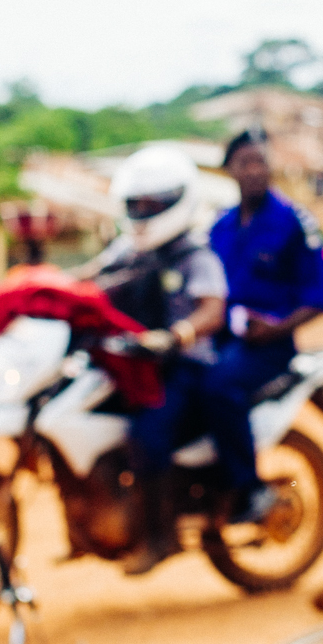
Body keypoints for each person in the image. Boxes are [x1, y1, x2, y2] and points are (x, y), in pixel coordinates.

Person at [80, 144, 229, 576]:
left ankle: (162, 538)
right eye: (136, 204)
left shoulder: (195, 253)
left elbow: (212, 308)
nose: (143, 212)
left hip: (183, 365)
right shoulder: (129, 249)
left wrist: (177, 335)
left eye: (153, 204)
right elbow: (90, 278)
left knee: (147, 434)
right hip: (133, 361)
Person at [206, 131, 323, 519]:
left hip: (271, 348)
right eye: (245, 162)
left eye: (260, 161)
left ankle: (250, 490)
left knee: (219, 386)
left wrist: (276, 329)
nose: (255, 171)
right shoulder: (220, 227)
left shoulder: (293, 221)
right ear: (229, 169)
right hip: (225, 339)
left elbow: (319, 297)